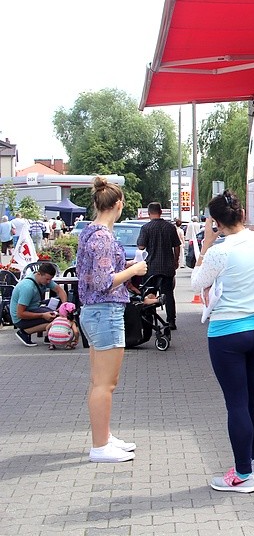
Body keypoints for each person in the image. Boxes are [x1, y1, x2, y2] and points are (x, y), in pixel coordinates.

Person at [191, 190, 254, 493]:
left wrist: (208, 242)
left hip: (227, 334)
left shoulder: (219, 251)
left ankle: (242, 476)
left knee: (236, 403)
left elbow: (197, 282)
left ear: (215, 221)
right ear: (241, 213)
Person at [76, 176, 148, 463]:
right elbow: (105, 282)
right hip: (105, 312)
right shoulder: (104, 238)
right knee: (106, 383)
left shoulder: (88, 232)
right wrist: (134, 270)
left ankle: (103, 437)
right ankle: (100, 446)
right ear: (118, 205)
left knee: (98, 382)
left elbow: (93, 276)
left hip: (93, 312)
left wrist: (126, 267)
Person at [136, 202, 181, 330]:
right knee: (168, 294)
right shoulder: (170, 227)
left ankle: (149, 320)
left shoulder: (146, 228)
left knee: (150, 293)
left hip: (151, 267)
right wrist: (176, 260)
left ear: (149, 213)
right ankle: (171, 321)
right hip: (167, 266)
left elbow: (141, 246)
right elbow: (176, 246)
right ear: (161, 212)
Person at [10, 261, 69, 347]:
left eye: (50, 279)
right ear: (39, 274)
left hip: (32, 309)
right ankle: (24, 333)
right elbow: (20, 314)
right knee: (55, 319)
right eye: (47, 279)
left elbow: (60, 291)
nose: (49, 282)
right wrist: (42, 315)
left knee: (56, 315)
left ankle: (48, 336)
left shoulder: (43, 280)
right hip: (20, 319)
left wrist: (64, 306)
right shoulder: (28, 287)